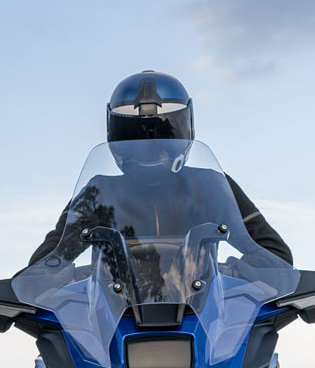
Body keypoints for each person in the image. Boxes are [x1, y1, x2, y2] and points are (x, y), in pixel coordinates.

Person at [27, 71, 293, 267]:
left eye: (162, 136)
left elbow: (275, 255)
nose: (151, 147)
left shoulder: (211, 185)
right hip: (107, 321)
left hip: (209, 320)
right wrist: (55, 279)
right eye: (137, 137)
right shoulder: (99, 192)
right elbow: (48, 260)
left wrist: (227, 273)